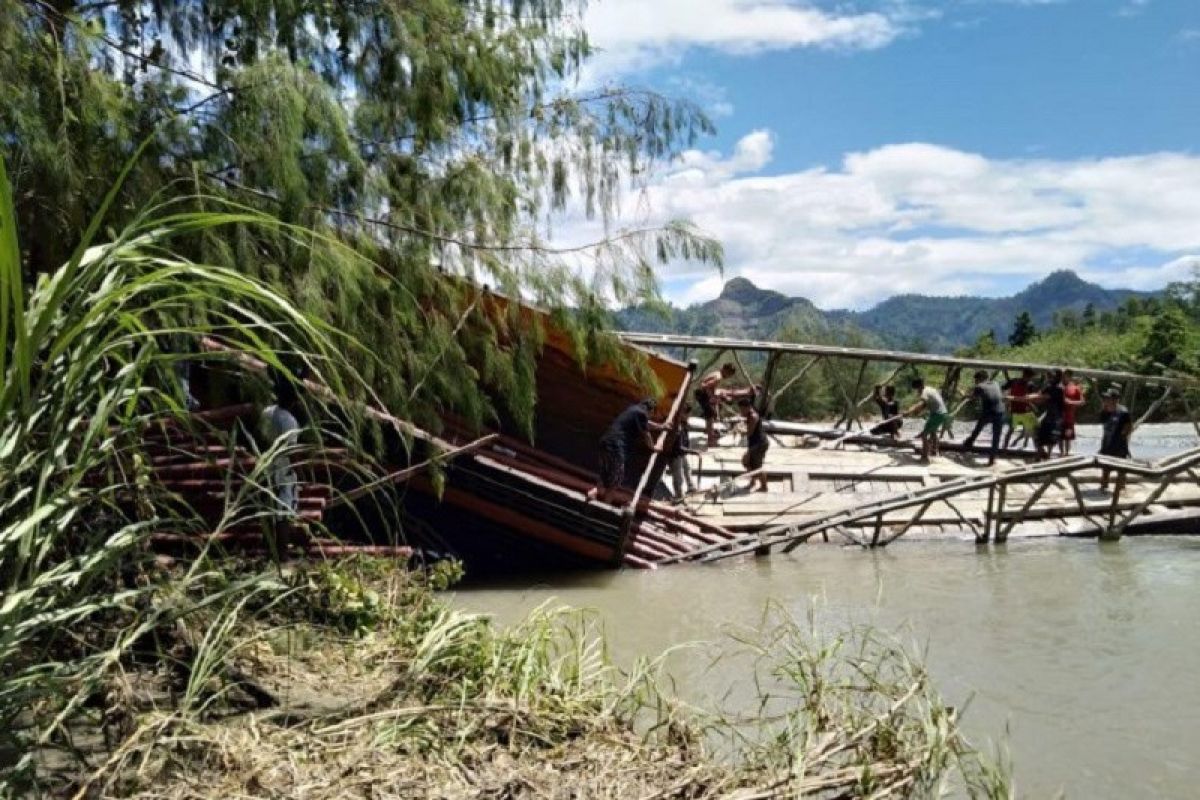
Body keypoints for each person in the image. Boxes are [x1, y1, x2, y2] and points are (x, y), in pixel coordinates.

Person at [587, 398, 667, 503]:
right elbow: (646, 433)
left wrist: (661, 427)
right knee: (616, 479)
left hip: (606, 442)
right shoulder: (641, 414)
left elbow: (646, 423)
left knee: (605, 474)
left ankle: (593, 494)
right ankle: (605, 504)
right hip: (616, 446)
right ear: (651, 411)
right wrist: (653, 447)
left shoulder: (633, 410)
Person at [260, 369, 303, 517]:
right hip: (282, 470)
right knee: (283, 510)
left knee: (268, 508)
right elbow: (290, 452)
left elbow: (261, 436)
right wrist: (301, 473)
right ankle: (283, 540)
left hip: (264, 465)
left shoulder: (267, 412)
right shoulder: (289, 421)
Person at [962, 370, 1005, 466]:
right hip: (1000, 411)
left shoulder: (980, 386)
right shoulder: (995, 383)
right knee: (996, 437)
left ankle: (967, 445)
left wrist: (964, 395)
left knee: (977, 429)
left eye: (976, 380)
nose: (975, 382)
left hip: (989, 412)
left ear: (980, 378)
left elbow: (972, 398)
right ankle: (992, 459)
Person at [903, 377, 949, 463]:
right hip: (943, 413)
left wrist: (909, 411)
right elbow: (925, 405)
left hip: (937, 414)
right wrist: (915, 411)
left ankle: (925, 457)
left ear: (918, 387)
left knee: (924, 435)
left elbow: (921, 404)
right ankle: (934, 451)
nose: (917, 391)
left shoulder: (924, 392)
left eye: (916, 389)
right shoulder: (930, 389)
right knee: (933, 432)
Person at [1098, 387, 1133, 492]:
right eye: (1105, 398)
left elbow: (1129, 427)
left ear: (1115, 400)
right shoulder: (1105, 411)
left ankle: (1121, 486)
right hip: (1107, 442)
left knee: (1121, 466)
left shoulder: (1123, 412)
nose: (1106, 400)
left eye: (1108, 398)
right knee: (1105, 465)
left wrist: (1122, 437)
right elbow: (1102, 422)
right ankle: (1104, 485)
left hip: (1119, 444)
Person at [694, 363, 737, 446]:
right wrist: (711, 397)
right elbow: (705, 386)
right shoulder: (718, 377)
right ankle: (711, 440)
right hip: (702, 394)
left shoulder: (716, 373)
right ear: (726, 370)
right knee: (710, 415)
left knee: (710, 413)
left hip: (701, 393)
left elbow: (708, 385)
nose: (728, 377)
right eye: (729, 374)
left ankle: (708, 431)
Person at [1028, 369, 1066, 462]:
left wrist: (1025, 397)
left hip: (1054, 415)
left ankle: (1044, 455)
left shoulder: (1057, 388)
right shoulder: (1053, 386)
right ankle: (1042, 454)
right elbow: (1040, 395)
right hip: (1051, 414)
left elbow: (1040, 396)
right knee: (1042, 433)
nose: (1049, 378)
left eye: (1050, 376)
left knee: (1048, 435)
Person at [737, 396, 770, 492]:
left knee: (757, 466)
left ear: (746, 407)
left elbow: (749, 432)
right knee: (747, 462)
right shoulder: (749, 414)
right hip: (753, 443)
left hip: (759, 443)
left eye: (741, 409)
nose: (741, 411)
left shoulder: (753, 416)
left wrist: (740, 430)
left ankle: (764, 486)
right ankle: (752, 482)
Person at [667, 404, 698, 502]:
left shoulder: (684, 425)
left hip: (681, 453)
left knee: (687, 469)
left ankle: (691, 486)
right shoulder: (677, 427)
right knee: (678, 475)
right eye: (687, 414)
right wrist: (693, 451)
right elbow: (678, 447)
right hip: (675, 454)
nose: (688, 416)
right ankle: (679, 494)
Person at [1002, 368, 1038, 450]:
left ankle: (1037, 451)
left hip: (1022, 410)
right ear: (1027, 376)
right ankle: (1004, 448)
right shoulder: (1028, 384)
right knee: (1014, 430)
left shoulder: (1018, 382)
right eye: (1030, 377)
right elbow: (1004, 388)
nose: (1030, 379)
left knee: (1030, 432)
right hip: (1020, 411)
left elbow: (1030, 398)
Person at [1059, 370, 1085, 456]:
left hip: (1069, 418)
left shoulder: (1075, 388)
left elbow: (1082, 402)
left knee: (1068, 437)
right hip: (1059, 417)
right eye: (1062, 376)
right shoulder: (1059, 387)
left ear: (1069, 377)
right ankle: (1061, 453)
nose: (1063, 377)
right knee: (1059, 437)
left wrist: (1070, 402)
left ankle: (1066, 453)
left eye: (1064, 376)